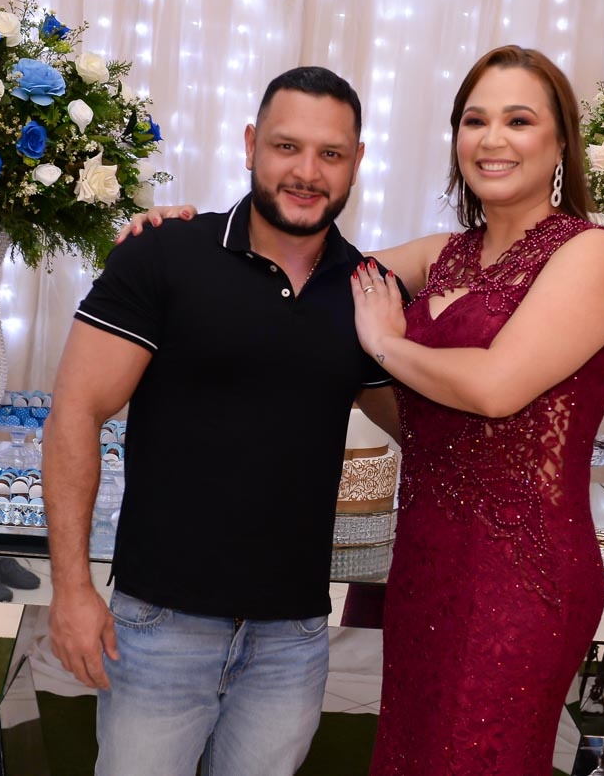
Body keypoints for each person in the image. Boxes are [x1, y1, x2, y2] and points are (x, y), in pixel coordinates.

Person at [130, 44, 604, 775]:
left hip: (522, 574)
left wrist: (387, 345)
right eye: (474, 120)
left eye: (519, 120)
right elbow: (301, 271)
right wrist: (189, 236)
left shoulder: (592, 253)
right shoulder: (444, 256)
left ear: (561, 143)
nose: (492, 139)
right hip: (424, 560)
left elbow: (496, 387)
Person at [42, 66, 399, 776]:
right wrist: (72, 588)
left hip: (293, 637)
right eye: (286, 146)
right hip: (159, 626)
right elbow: (76, 413)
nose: (307, 171)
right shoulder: (165, 253)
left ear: (357, 161)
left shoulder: (368, 295)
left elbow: (433, 435)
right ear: (249, 145)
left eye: (330, 153)